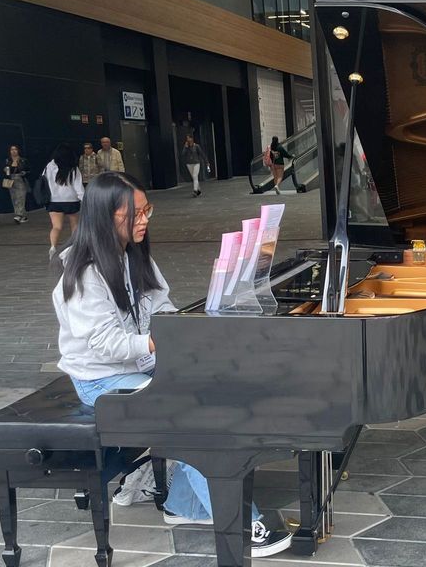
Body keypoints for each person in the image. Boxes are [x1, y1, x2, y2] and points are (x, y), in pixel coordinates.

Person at [52, 172, 292, 558]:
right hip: (101, 379)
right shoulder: (83, 273)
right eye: (135, 213)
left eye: (147, 210)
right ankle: (240, 523)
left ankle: (185, 504)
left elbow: (161, 305)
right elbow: (107, 345)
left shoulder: (134, 253)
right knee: (188, 414)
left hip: (144, 362)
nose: (144, 219)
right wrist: (160, 339)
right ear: (104, 217)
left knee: (218, 388)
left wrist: (176, 328)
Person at [46, 144, 84, 260]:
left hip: (54, 201)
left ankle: (53, 247)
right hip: (71, 201)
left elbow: (45, 182)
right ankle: (74, 246)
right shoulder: (73, 169)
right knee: (75, 225)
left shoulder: (49, 166)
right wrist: (84, 199)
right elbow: (79, 187)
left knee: (56, 226)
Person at [3, 145, 30, 224]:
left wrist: (24, 172)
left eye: (15, 149)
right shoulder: (8, 160)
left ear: (18, 151)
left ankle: (19, 215)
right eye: (12, 149)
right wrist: (5, 170)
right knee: (14, 198)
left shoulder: (23, 160)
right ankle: (23, 216)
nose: (13, 151)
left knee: (20, 197)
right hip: (10, 179)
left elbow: (29, 170)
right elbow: (4, 170)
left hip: (20, 179)